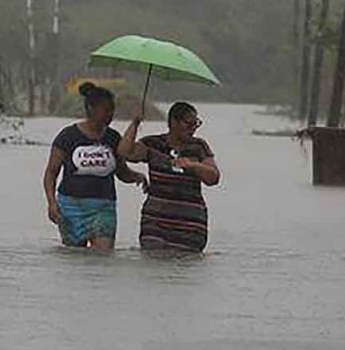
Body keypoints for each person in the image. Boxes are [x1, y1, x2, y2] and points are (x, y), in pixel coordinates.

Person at [42, 83, 147, 250]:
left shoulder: (112, 138)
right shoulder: (68, 136)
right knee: (74, 258)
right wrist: (52, 203)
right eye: (105, 110)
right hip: (71, 206)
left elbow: (121, 171)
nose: (110, 114)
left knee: (103, 258)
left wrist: (136, 176)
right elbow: (51, 173)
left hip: (104, 207)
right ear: (91, 109)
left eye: (112, 110)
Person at [126, 101, 220, 253]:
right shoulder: (153, 144)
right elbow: (126, 153)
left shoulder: (199, 146)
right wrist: (135, 123)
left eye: (196, 124)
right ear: (173, 122)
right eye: (188, 124)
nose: (193, 129)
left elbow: (213, 178)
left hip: (190, 225)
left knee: (183, 269)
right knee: (153, 261)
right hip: (156, 221)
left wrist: (193, 166)